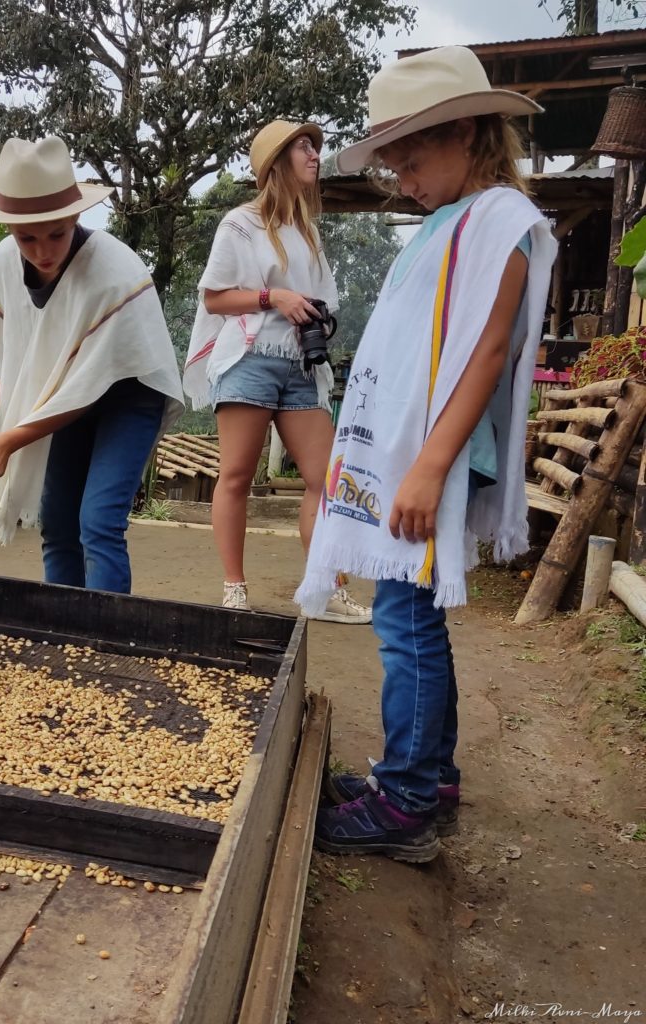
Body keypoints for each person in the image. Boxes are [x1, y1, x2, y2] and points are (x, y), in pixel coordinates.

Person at [297, 47, 558, 861]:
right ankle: (425, 780)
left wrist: (428, 465)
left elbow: (483, 354)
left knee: (403, 625)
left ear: (470, 132)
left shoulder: (500, 223)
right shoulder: (454, 221)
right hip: (418, 453)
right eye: (394, 167)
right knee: (412, 621)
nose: (404, 181)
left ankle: (404, 803)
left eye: (414, 160)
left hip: (431, 457)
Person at [0, 136, 184, 594]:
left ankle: (103, 643)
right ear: (9, 229)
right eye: (27, 237)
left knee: (99, 521)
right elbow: (0, 329)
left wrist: (7, 441)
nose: (42, 251)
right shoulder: (4, 262)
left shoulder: (113, 272)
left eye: (56, 234)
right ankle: (62, 639)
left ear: (76, 215)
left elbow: (90, 384)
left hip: (128, 393)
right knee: (59, 524)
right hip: (64, 398)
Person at [182, 119, 371, 623]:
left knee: (326, 478)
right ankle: (234, 589)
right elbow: (215, 297)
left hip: (299, 368)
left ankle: (324, 589)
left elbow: (323, 298)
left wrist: (315, 316)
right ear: (277, 161)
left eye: (315, 147)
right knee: (237, 476)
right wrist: (275, 297)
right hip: (248, 360)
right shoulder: (240, 223)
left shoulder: (307, 232)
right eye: (305, 147)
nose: (315, 155)